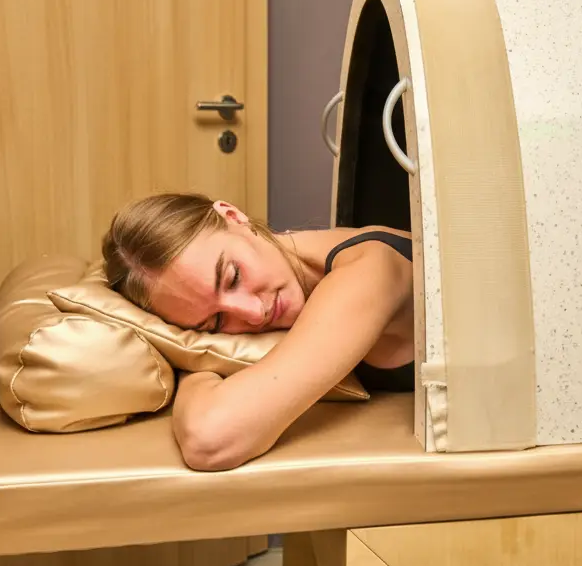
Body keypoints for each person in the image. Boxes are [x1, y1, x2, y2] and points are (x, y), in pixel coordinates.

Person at [101, 192, 414, 471]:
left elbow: (210, 441)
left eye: (233, 277)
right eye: (216, 323)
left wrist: (190, 362)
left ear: (234, 216)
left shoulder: (368, 269)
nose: (253, 313)